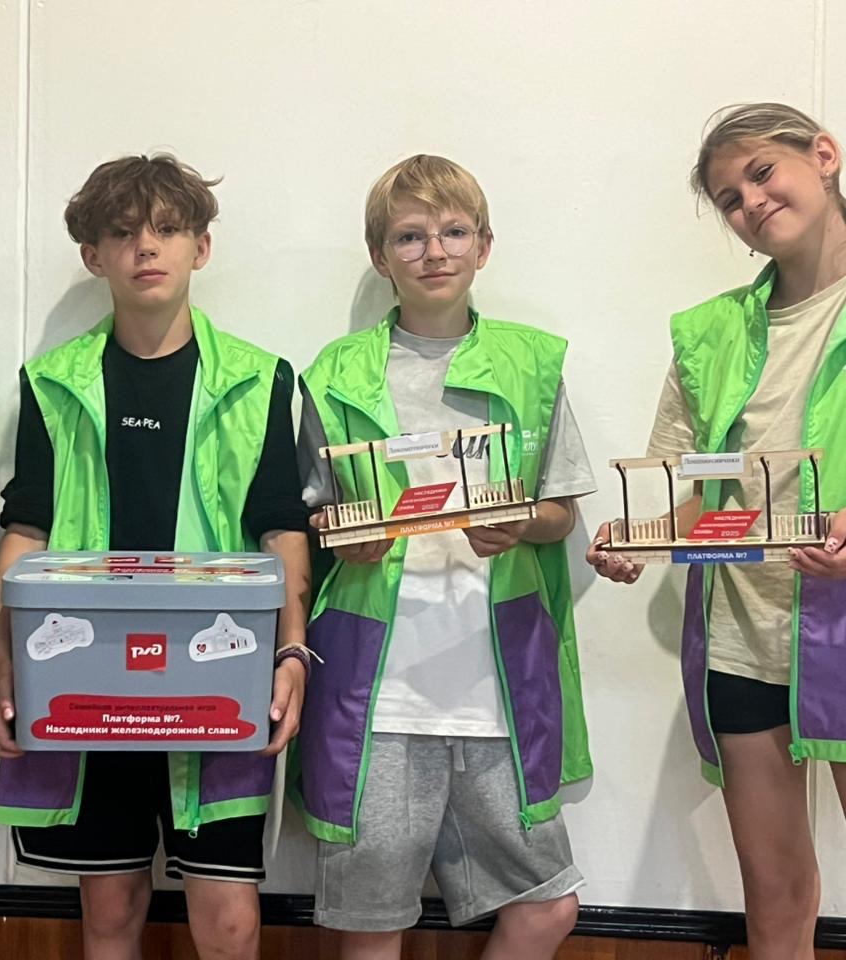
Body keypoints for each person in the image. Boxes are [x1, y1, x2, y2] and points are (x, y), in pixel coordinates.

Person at [588, 102, 846, 960]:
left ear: (823, 156)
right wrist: (636, 539)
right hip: (740, 641)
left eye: (762, 173)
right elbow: (693, 500)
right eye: (729, 197)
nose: (750, 201)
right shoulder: (708, 333)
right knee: (776, 903)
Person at [0, 154, 312, 960]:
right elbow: (26, 524)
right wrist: (3, 651)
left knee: (229, 920)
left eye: (167, 228)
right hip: (85, 670)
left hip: (219, 671)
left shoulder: (260, 379)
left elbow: (280, 525)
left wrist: (292, 652)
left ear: (201, 246)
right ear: (93, 255)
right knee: (110, 909)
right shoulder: (52, 382)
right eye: (123, 232)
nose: (146, 247)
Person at [294, 154, 594, 960]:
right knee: (372, 925)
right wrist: (347, 538)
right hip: (375, 691)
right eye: (410, 236)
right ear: (380, 255)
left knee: (547, 906)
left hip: (497, 684)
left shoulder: (534, 362)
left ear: (484, 247)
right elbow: (319, 519)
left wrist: (520, 522)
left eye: (454, 232)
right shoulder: (334, 372)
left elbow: (561, 512)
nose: (435, 251)